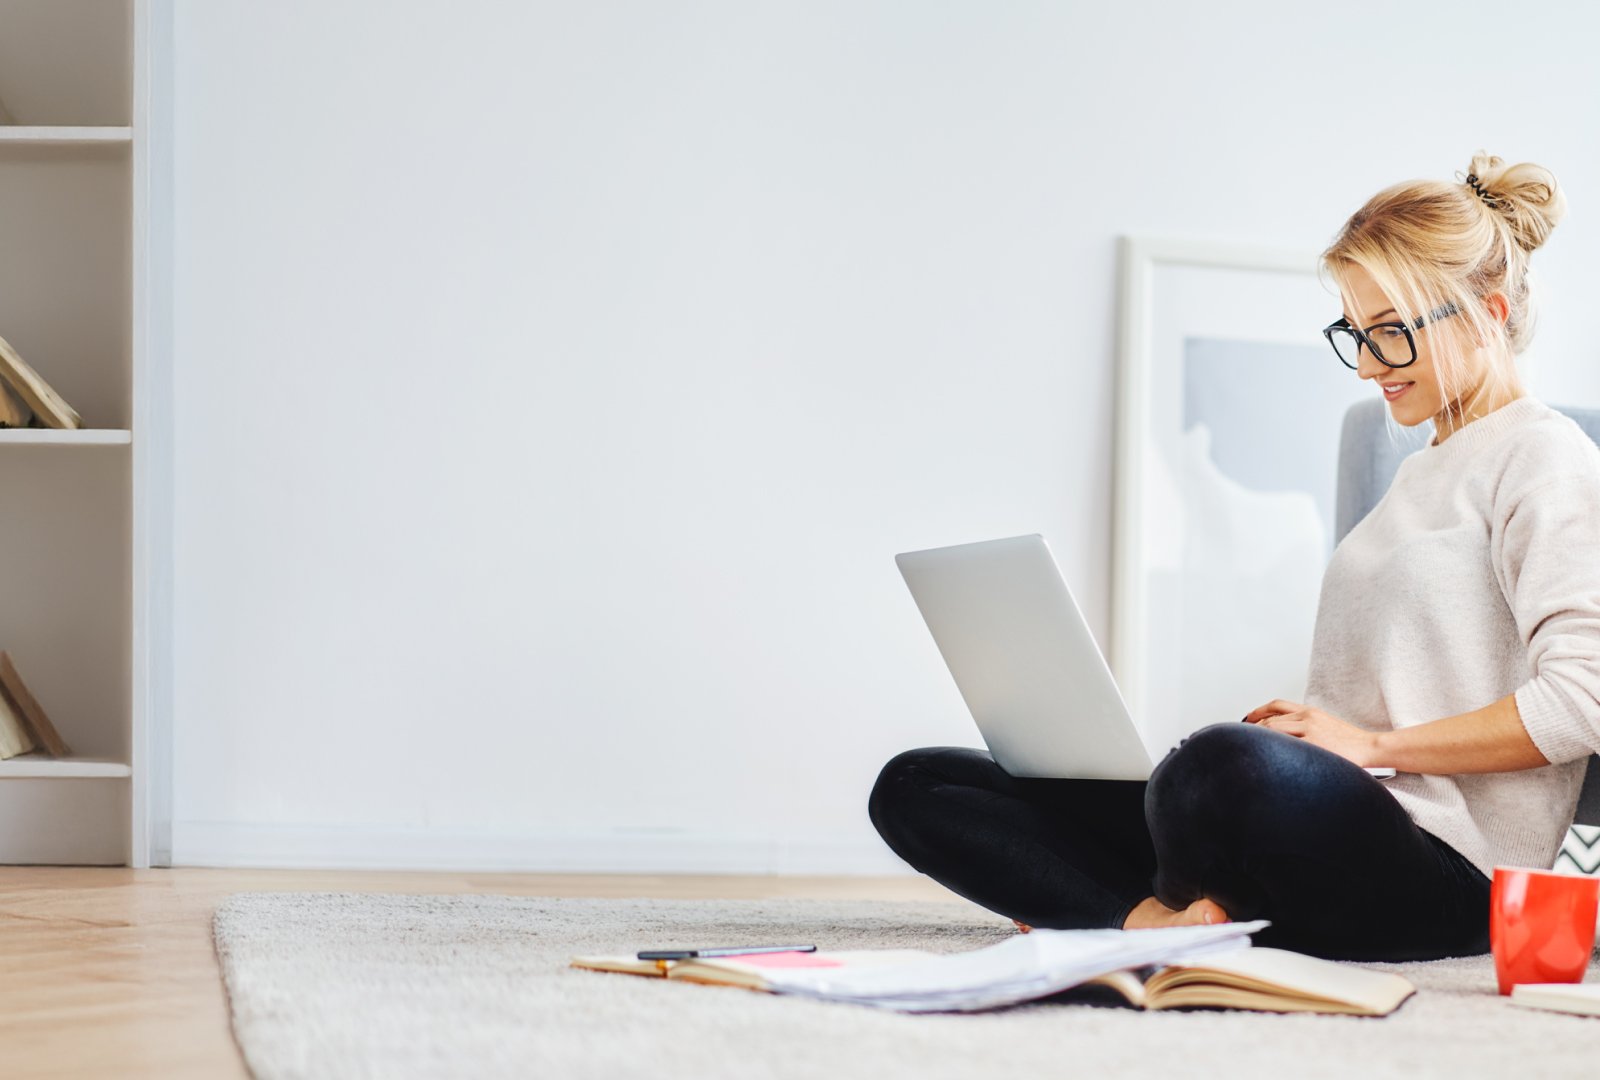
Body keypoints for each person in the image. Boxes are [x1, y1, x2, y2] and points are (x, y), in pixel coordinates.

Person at [867, 151, 1600, 962]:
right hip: (1339, 820)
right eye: (1356, 334)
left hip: (1453, 868)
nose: (1365, 365)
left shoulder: (1545, 458)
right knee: (918, 784)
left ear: (1487, 314)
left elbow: (1582, 699)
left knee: (1213, 771)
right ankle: (1152, 923)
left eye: (1391, 333)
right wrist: (1314, 740)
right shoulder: (1421, 471)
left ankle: (1119, 894)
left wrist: (1374, 748)